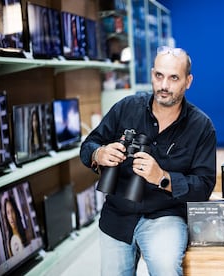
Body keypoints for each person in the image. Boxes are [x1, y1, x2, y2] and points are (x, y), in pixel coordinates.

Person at [80, 46, 216, 275]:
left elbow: (204, 187)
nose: (164, 85)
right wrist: (99, 154)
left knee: (166, 268)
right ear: (152, 74)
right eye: (159, 76)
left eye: (174, 78)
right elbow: (88, 146)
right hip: (118, 214)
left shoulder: (201, 126)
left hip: (166, 215)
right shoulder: (126, 108)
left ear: (188, 81)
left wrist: (162, 178)